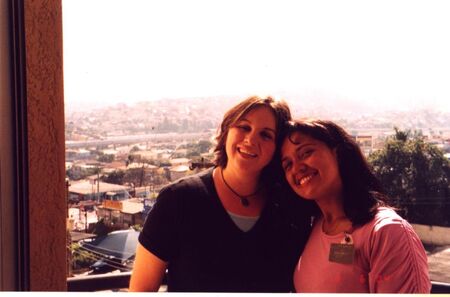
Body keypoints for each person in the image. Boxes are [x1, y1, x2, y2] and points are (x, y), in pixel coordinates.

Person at [129, 96, 312, 292]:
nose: (250, 140)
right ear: (226, 131)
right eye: (244, 127)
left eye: (266, 135)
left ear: (277, 148)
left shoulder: (289, 206)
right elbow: (141, 290)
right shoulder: (178, 200)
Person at [280, 119, 431, 293]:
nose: (297, 168)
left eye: (305, 153)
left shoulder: (386, 232)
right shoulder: (315, 226)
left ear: (337, 153)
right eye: (287, 164)